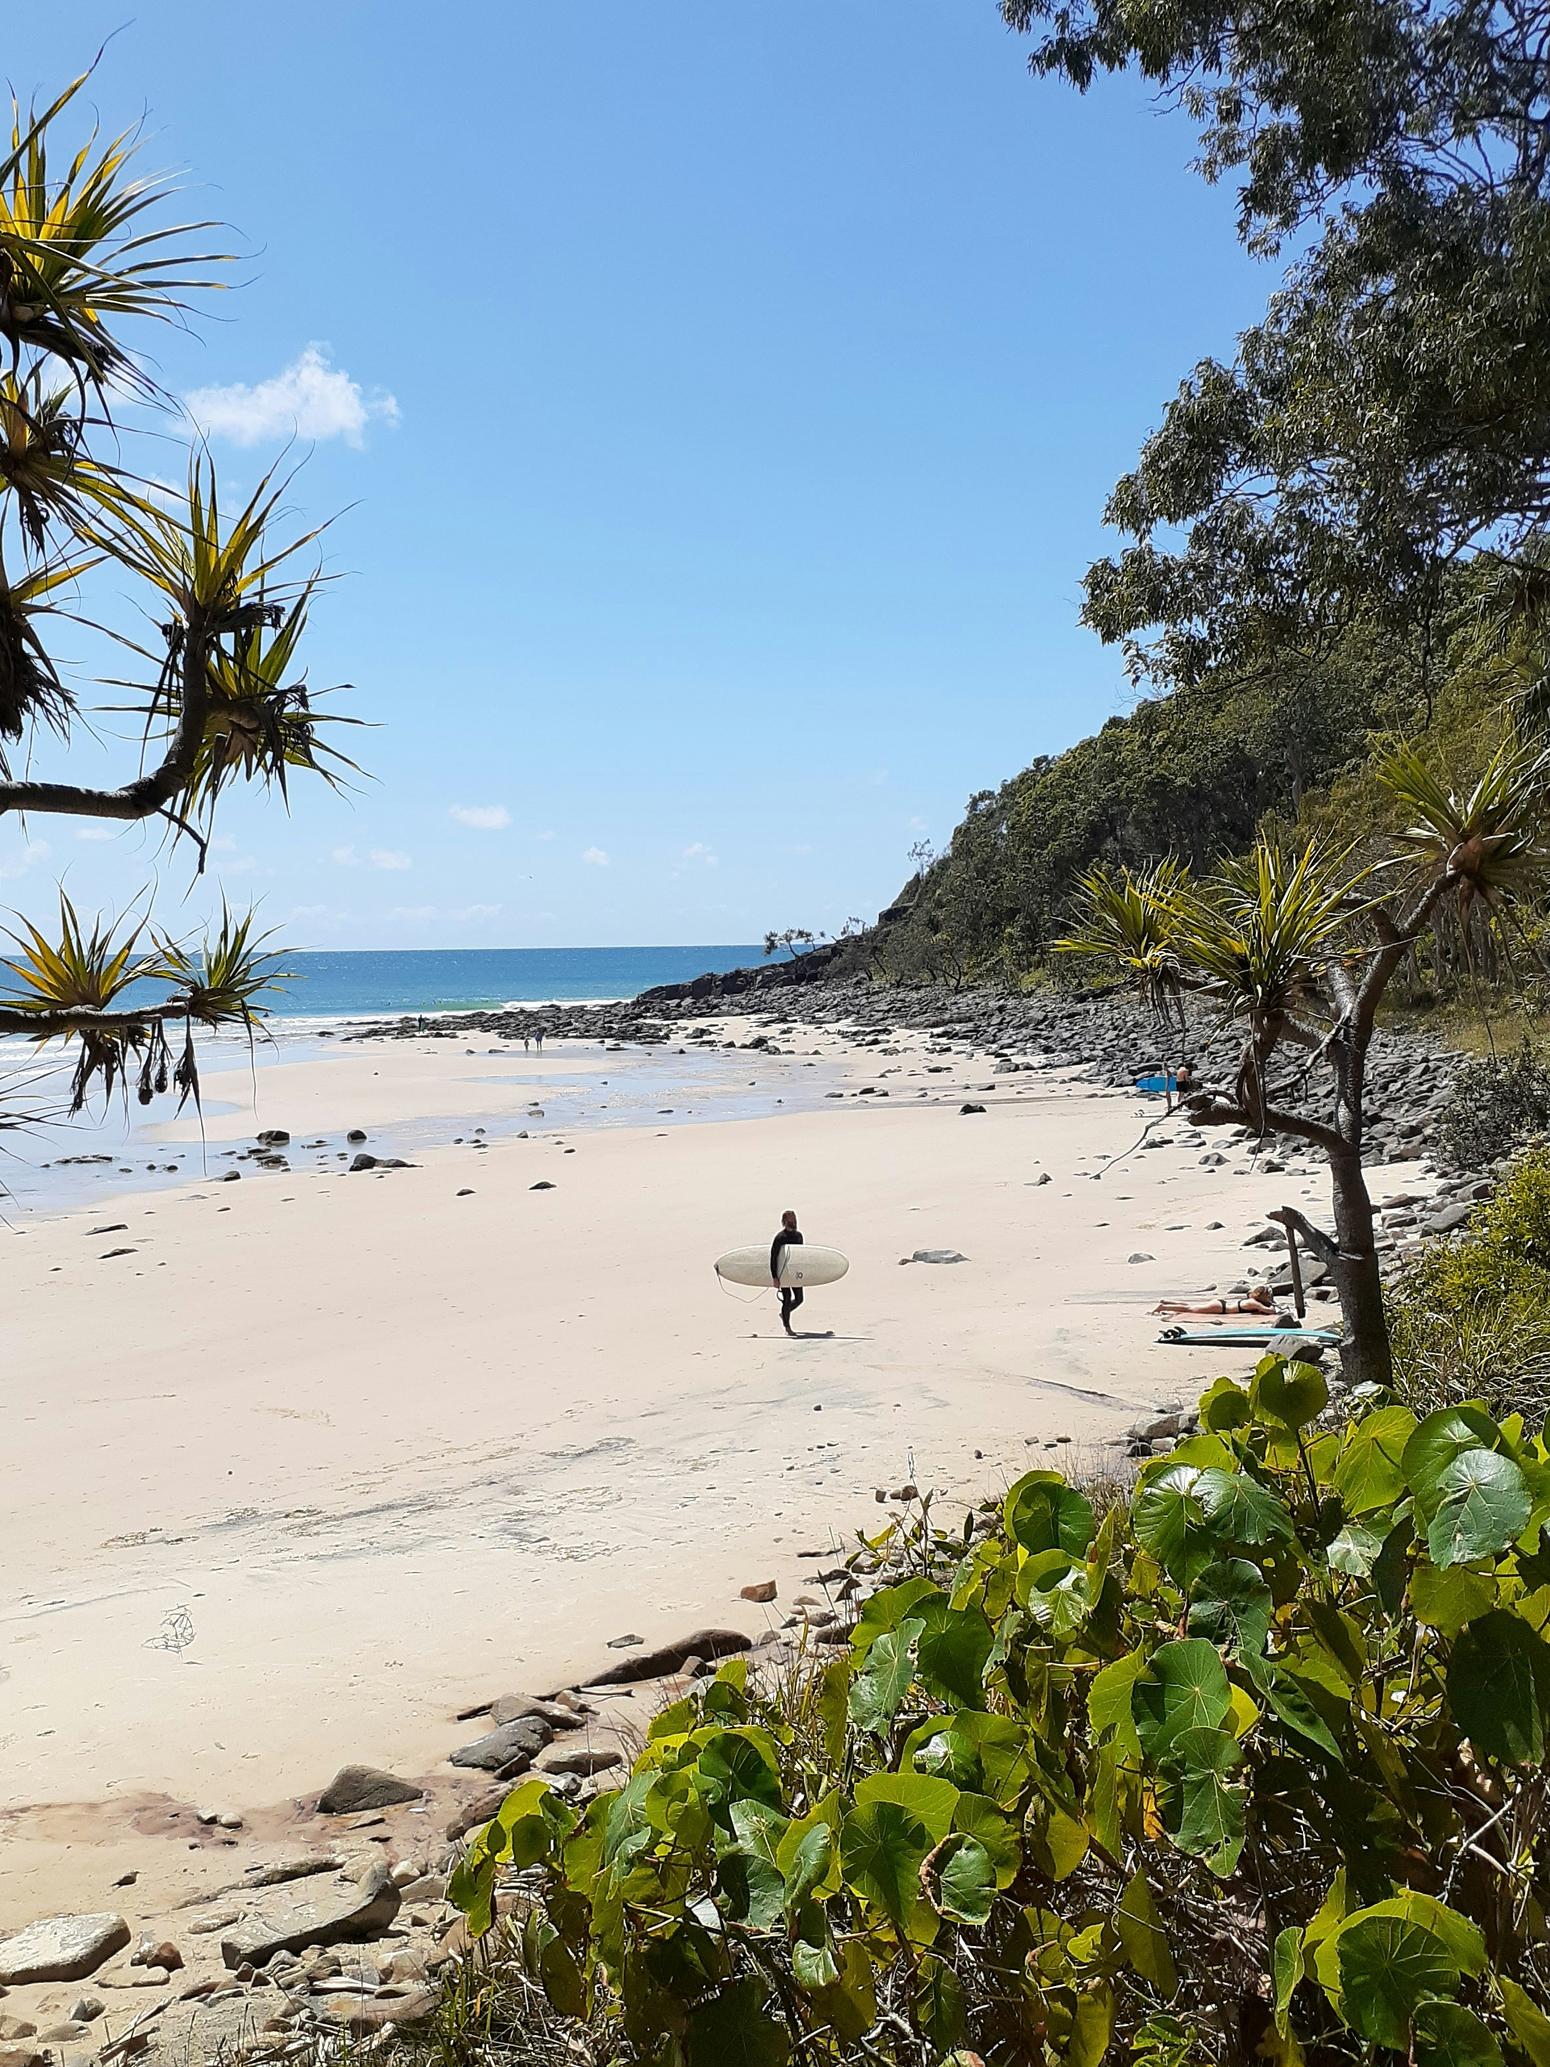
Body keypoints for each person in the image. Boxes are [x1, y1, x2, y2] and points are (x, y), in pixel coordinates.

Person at [1153, 1284, 1276, 1318]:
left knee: (1192, 1306)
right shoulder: (1254, 1303)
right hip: (1220, 1308)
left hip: (1220, 1304)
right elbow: (1270, 1312)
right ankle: (1163, 1307)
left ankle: (1167, 1302)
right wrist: (1272, 1304)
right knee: (1190, 1309)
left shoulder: (1251, 1299)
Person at [771, 1208, 804, 1335]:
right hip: (783, 1272)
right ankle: (787, 1327)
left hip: (795, 1272)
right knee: (787, 1298)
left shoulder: (798, 1236)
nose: (793, 1221)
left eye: (794, 1218)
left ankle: (784, 1313)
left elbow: (801, 1255)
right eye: (790, 1219)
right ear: (784, 1221)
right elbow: (773, 1257)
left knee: (800, 1299)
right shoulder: (780, 1237)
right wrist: (775, 1276)